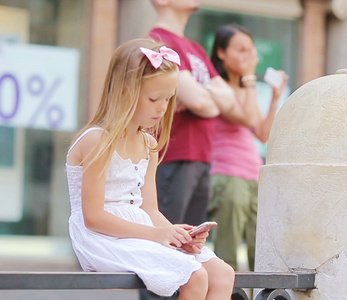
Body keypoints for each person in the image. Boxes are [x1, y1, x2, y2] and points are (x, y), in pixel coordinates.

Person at [66, 38, 234, 299]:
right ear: (124, 92)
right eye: (154, 98)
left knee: (223, 274)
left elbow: (149, 209)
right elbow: (94, 217)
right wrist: (157, 235)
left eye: (168, 99)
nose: (163, 108)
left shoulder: (148, 143)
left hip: (141, 230)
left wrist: (178, 235)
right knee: (195, 276)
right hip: (101, 237)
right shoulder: (97, 140)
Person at [148, 0, 236, 228]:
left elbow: (228, 99)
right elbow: (198, 102)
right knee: (170, 236)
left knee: (193, 241)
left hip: (202, 157)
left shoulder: (195, 48)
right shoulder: (159, 41)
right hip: (174, 155)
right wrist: (205, 97)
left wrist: (199, 92)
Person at [208, 25, 289, 271]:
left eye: (250, 51)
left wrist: (275, 98)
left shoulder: (246, 89)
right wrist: (250, 77)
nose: (247, 56)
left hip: (253, 174)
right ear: (221, 52)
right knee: (228, 255)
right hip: (227, 175)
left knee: (260, 255)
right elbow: (246, 117)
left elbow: (263, 134)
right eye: (240, 50)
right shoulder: (217, 86)